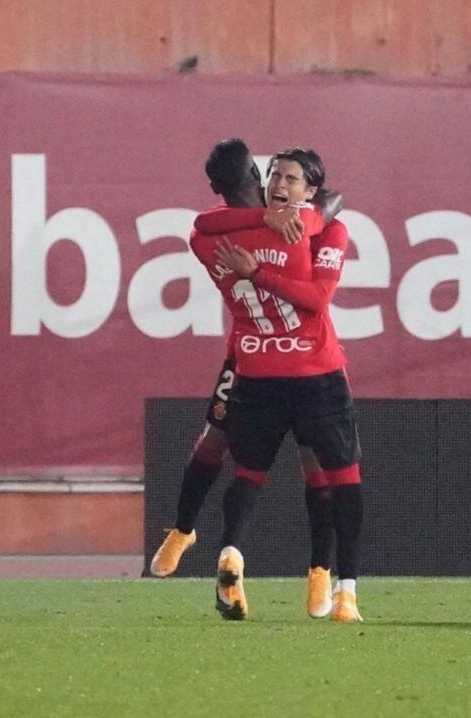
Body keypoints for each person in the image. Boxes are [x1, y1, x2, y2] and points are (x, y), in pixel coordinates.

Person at [150, 139, 342, 620]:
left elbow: (203, 224)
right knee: (312, 456)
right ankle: (321, 572)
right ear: (258, 177)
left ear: (215, 188)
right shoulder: (290, 224)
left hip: (245, 351)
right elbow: (332, 206)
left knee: (215, 440)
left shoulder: (206, 235)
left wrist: (263, 216)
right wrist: (278, 216)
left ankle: (182, 530)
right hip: (291, 352)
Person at [190, 143, 365, 622]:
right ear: (261, 181)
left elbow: (205, 226)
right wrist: (276, 230)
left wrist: (258, 264)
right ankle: (328, 579)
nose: (280, 185)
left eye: (291, 179)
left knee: (250, 469)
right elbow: (317, 298)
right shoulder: (310, 226)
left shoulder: (240, 233)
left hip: (257, 368)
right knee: (330, 477)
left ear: (309, 189)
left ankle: (310, 576)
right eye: (275, 177)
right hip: (309, 372)